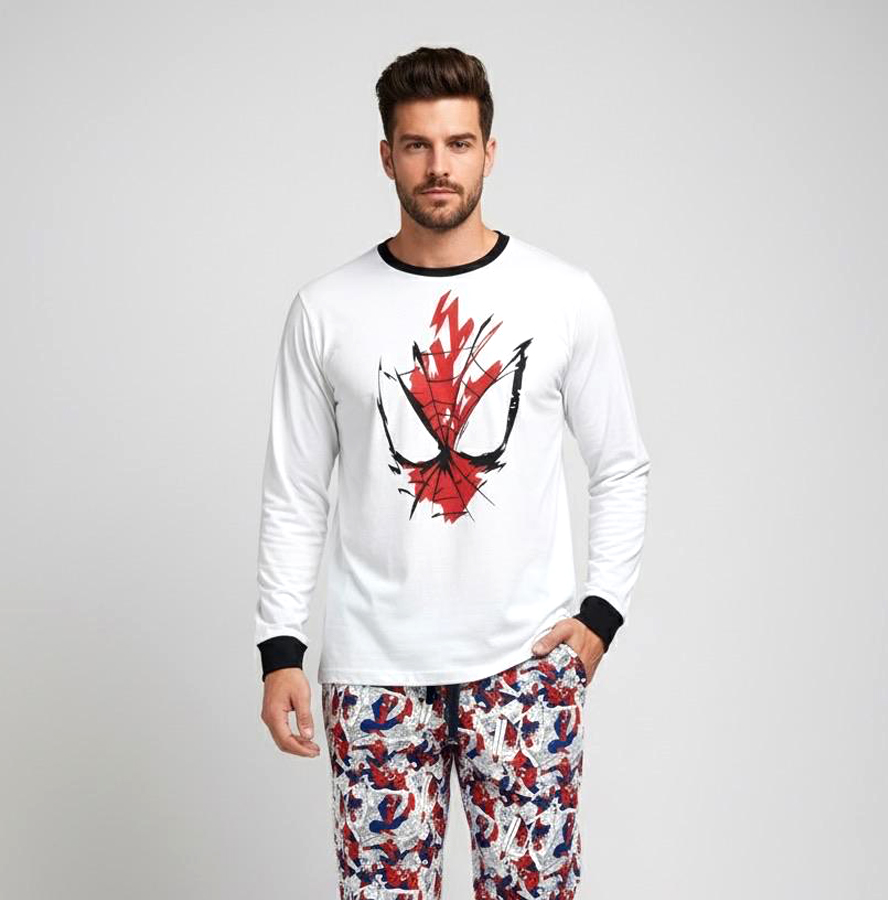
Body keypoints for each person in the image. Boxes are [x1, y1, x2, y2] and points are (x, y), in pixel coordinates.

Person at [255, 45, 651, 899]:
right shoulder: (326, 310)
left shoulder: (563, 295)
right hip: (374, 675)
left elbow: (620, 464)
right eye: (418, 145)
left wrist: (601, 616)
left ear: (489, 152)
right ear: (387, 156)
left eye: (459, 143)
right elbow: (295, 493)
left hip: (524, 668)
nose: (439, 166)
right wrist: (279, 649)